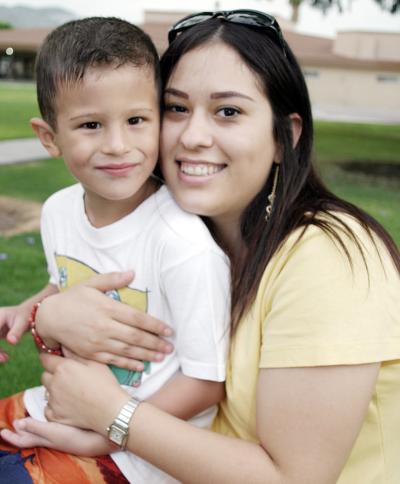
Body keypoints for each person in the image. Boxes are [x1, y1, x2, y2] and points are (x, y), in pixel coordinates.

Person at [2, 8, 400, 484]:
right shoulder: (184, 227)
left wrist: (110, 415)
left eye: (228, 111)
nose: (193, 136)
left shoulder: (329, 258)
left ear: (284, 137)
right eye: (176, 108)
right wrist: (46, 314)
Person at [0, 16, 231, 483]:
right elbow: (67, 281)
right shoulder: (58, 211)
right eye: (90, 124)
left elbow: (208, 382)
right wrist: (29, 308)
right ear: (49, 137)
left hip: (135, 456)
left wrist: (104, 434)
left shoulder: (181, 243)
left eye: (136, 120)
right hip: (57, 408)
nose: (118, 145)